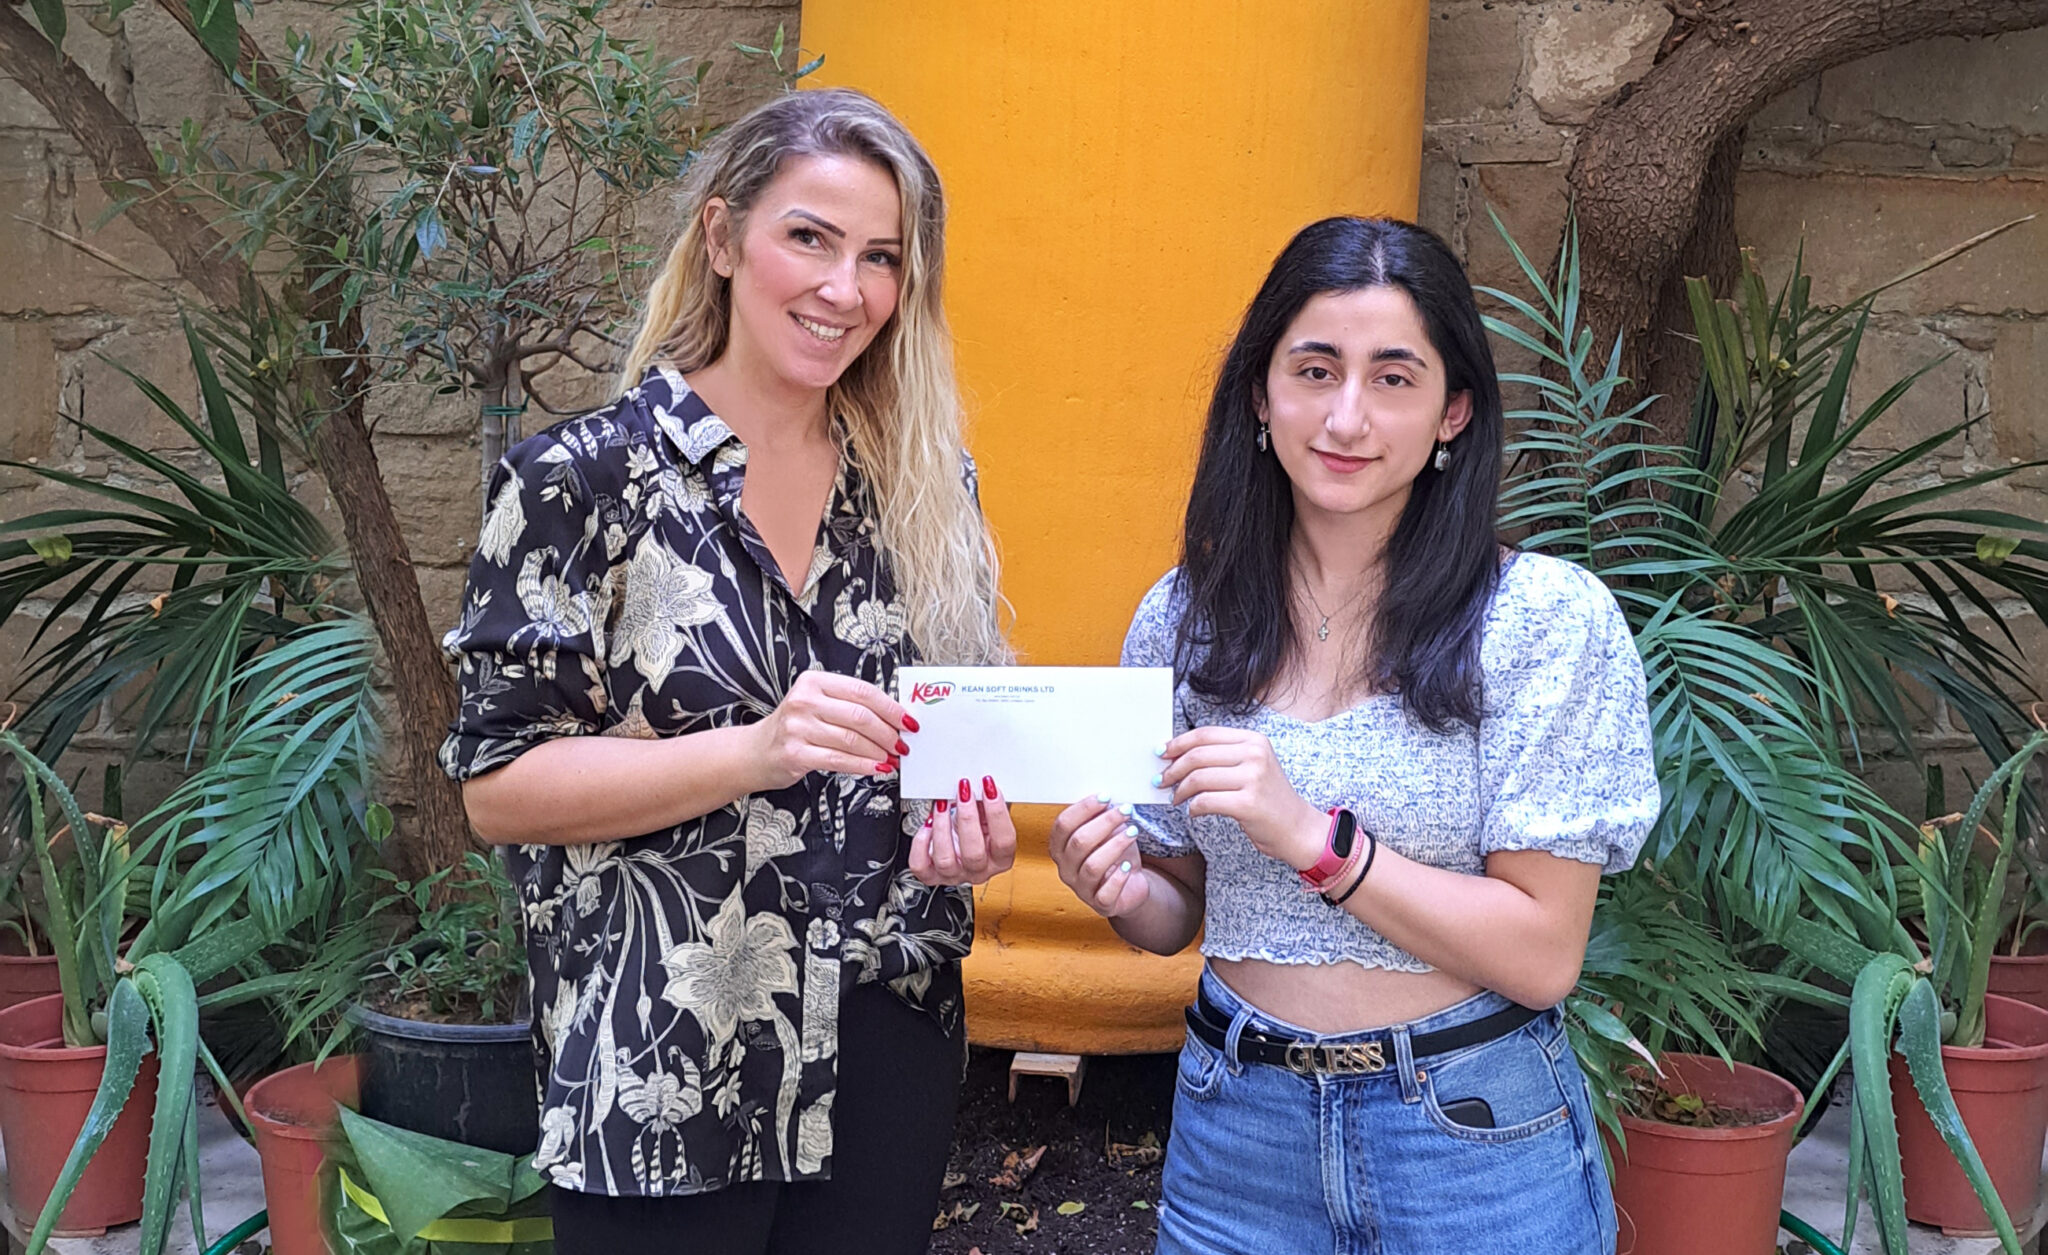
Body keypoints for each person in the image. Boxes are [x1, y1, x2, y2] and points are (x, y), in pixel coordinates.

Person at [439, 87, 1014, 1255]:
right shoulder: (577, 482)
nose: (844, 288)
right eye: (809, 237)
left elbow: (940, 748)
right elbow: (498, 788)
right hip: (657, 1047)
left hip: (882, 1041)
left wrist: (965, 833)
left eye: (881, 258)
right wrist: (752, 750)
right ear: (721, 237)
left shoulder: (918, 485)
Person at [1048, 217, 1659, 1254]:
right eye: (1315, 370)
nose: (1345, 416)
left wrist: (1315, 841)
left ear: (1453, 410)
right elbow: (1178, 909)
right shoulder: (1185, 616)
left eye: (1392, 378)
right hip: (1237, 1132)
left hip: (1468, 1140)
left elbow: (1543, 952)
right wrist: (1114, 886)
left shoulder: (1541, 621)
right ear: (1260, 393)